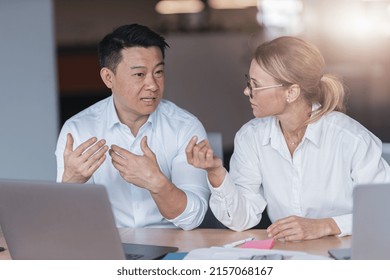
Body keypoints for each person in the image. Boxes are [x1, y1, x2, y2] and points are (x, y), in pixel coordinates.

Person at [186, 36, 390, 241]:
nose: (247, 91)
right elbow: (242, 220)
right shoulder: (251, 138)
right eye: (248, 82)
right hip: (289, 255)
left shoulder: (351, 139)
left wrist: (326, 226)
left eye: (256, 85)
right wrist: (216, 173)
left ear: (291, 92)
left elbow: (384, 210)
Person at [55, 24, 210, 230]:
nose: (153, 85)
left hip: (172, 246)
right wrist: (71, 183)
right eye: (139, 75)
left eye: (159, 72)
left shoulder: (185, 127)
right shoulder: (78, 130)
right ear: (108, 77)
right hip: (106, 244)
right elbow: (64, 223)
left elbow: (193, 219)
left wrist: (157, 183)